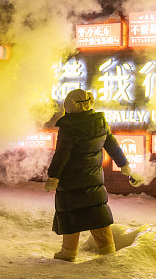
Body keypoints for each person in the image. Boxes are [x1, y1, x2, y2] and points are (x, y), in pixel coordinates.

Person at [44, 88, 143, 261]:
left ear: (72, 105)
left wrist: (53, 177)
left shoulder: (68, 126)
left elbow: (62, 155)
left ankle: (68, 252)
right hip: (93, 179)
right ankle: (107, 250)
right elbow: (113, 146)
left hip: (71, 181)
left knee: (70, 214)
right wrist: (125, 166)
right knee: (97, 215)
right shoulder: (100, 121)